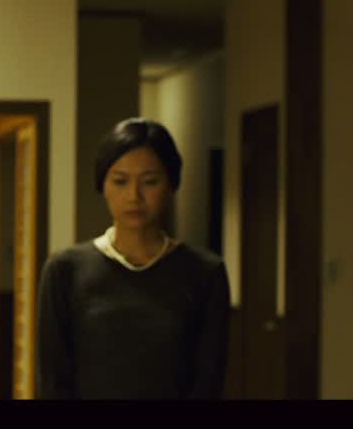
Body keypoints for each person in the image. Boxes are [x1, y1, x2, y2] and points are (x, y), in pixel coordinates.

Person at [36, 118, 230, 399]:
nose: (134, 196)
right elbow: (53, 380)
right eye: (120, 181)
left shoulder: (204, 272)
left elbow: (208, 381)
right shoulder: (65, 270)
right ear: (103, 185)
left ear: (171, 184)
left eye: (150, 182)